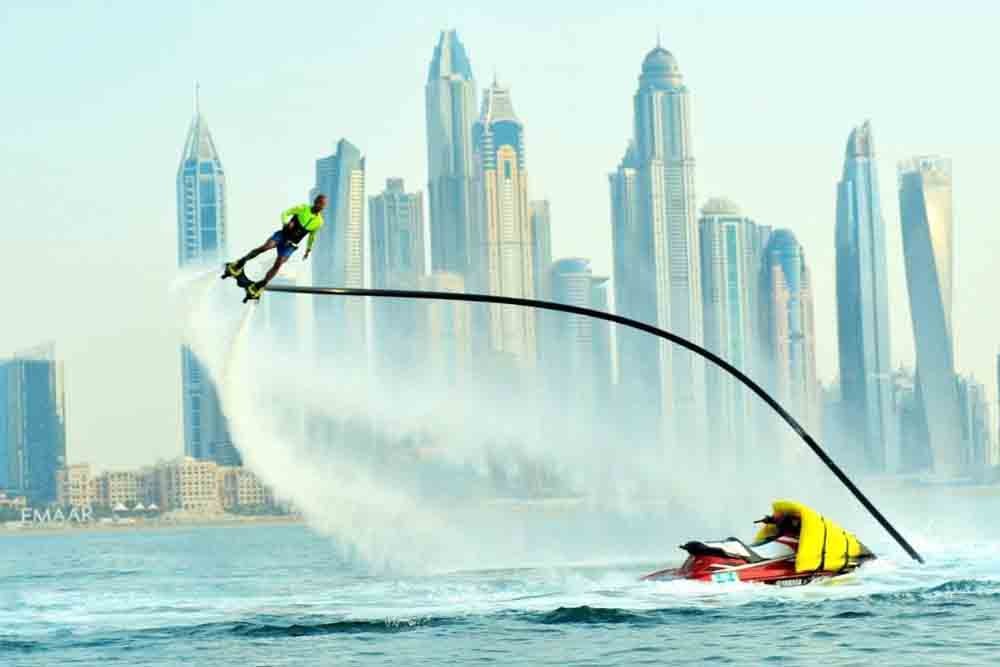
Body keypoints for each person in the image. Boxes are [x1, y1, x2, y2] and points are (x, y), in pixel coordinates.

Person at [224, 194, 328, 298]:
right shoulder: (303, 208)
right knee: (265, 247)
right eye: (320, 203)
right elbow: (285, 213)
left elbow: (312, 236)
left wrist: (308, 249)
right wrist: (285, 222)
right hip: (282, 235)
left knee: (278, 264)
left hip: (291, 245)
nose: (321, 206)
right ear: (315, 202)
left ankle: (260, 285)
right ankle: (240, 263)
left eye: (323, 205)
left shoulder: (319, 222)